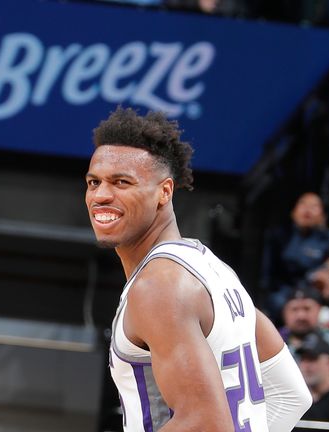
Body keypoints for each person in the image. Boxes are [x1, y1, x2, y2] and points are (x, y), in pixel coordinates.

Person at [86, 108, 311, 431]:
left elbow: (204, 423)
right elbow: (291, 395)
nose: (101, 195)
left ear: (164, 192)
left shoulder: (158, 288)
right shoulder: (213, 267)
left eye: (122, 182)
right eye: (94, 182)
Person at [261, 192, 329, 321]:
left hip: (313, 294)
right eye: (303, 204)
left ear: (322, 215)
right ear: (293, 211)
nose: (307, 210)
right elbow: (267, 275)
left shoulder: (328, 241)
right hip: (282, 292)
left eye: (314, 206)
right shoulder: (278, 236)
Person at [278, 286, 329, 361]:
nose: (301, 316)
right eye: (294, 309)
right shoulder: (273, 342)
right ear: (284, 313)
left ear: (319, 310)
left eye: (307, 308)